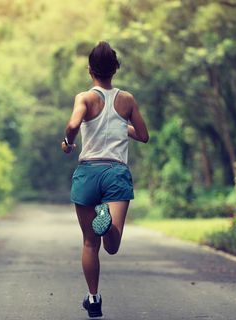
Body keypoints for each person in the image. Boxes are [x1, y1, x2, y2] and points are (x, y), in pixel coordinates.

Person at [61, 41, 149, 318]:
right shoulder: (127, 99)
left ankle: (94, 298)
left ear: (90, 70)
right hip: (115, 172)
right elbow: (144, 135)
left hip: (88, 172)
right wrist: (124, 126)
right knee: (112, 246)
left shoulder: (84, 98)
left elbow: (74, 125)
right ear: (116, 69)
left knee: (89, 242)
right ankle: (108, 224)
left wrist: (67, 142)